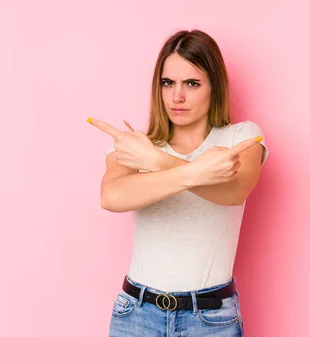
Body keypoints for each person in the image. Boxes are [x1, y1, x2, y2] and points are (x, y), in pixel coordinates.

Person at [87, 29, 268, 336]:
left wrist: (157, 164)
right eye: (167, 83)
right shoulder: (138, 145)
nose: (177, 97)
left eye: (192, 83)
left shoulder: (240, 137)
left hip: (210, 320)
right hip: (136, 316)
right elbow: (112, 196)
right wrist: (195, 172)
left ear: (215, 87)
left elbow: (234, 190)